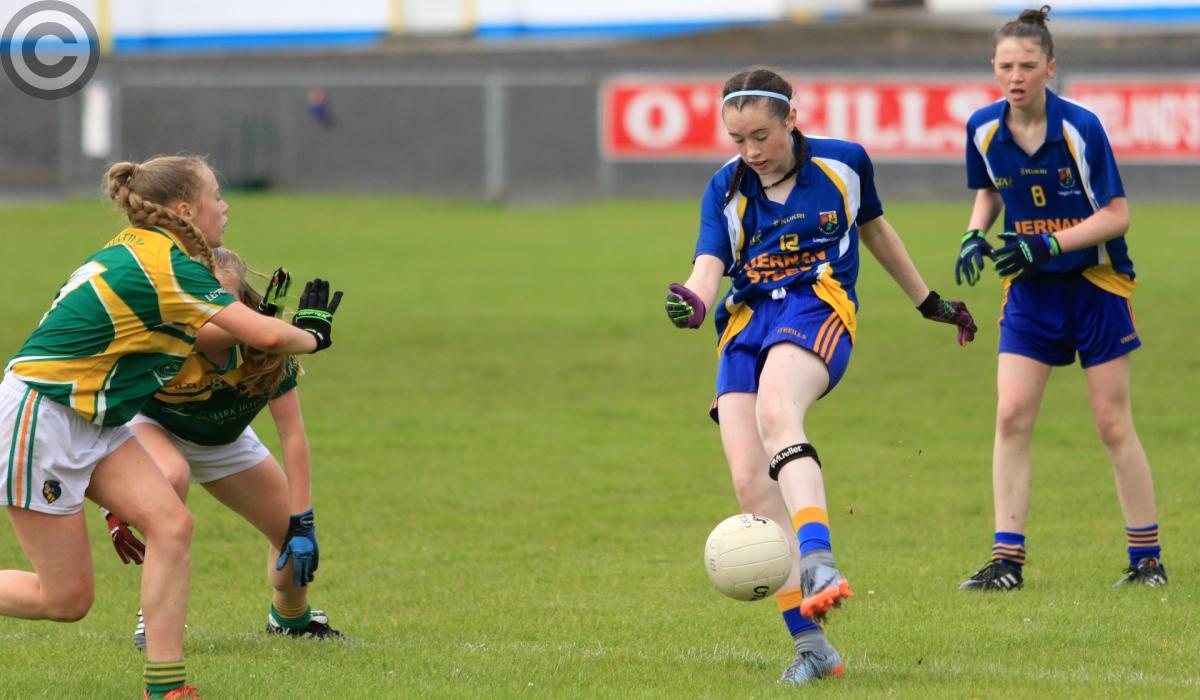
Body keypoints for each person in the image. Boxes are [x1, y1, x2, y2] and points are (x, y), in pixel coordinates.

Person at [664, 66, 978, 686]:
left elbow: (878, 232)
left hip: (818, 306)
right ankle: (812, 648)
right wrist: (694, 301)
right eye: (737, 140)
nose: (751, 152)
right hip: (745, 324)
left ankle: (820, 559)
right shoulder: (725, 189)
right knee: (751, 484)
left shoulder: (844, 165)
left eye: (761, 135)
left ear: (792, 118)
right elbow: (707, 266)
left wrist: (928, 303)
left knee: (778, 410)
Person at [0, 155, 343, 700]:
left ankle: (165, 688)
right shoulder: (168, 264)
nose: (224, 207)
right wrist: (314, 334)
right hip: (44, 413)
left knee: (172, 525)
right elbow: (269, 338)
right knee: (65, 601)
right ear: (186, 210)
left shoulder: (146, 249)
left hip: (96, 415)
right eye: (216, 197)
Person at [954, 5, 1165, 592]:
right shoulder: (982, 129)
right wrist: (975, 231)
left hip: (1096, 286)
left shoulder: (1080, 128)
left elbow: (1116, 216)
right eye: (1005, 66)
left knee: (1110, 422)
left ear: (1051, 67)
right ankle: (1007, 562)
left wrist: (1045, 245)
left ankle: (1146, 558)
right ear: (993, 69)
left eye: (1027, 65)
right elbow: (991, 191)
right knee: (1011, 414)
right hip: (1029, 290)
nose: (1015, 76)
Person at [106, 248, 341, 649]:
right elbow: (106, 406)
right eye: (201, 299)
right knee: (172, 475)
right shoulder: (167, 341)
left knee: (293, 546)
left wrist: (302, 520)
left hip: (225, 441)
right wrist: (115, 503)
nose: (212, 310)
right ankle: (155, 617)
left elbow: (293, 433)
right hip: (153, 427)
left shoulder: (265, 345)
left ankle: (290, 618)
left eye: (223, 299)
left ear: (243, 303)